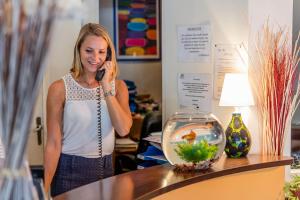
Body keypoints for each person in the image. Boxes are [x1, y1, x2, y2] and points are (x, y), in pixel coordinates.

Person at [44, 23, 132, 197]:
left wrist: (106, 85)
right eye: (89, 50)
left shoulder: (119, 88)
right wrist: (43, 189)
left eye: (101, 52)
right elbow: (53, 143)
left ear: (108, 54)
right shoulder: (59, 88)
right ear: (79, 50)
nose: (95, 57)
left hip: (105, 169)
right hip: (68, 171)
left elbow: (123, 129)